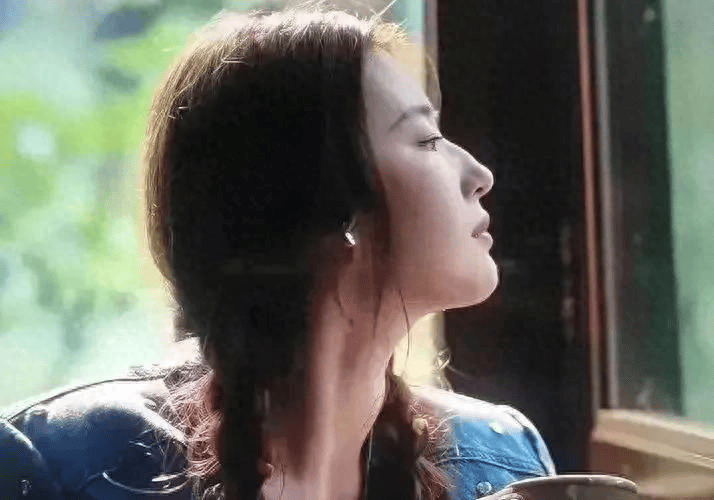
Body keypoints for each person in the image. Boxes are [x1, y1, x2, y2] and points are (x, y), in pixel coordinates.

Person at [0, 8, 555, 500]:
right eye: (427, 140)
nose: (479, 174)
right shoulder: (63, 466)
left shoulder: (499, 462)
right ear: (323, 203)